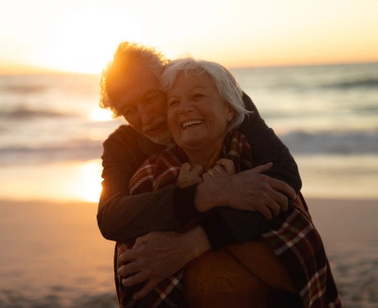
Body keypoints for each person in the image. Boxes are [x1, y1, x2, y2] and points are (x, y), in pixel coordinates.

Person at [113, 57, 341, 307]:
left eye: (198, 96)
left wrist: (195, 233)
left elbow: (301, 278)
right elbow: (114, 224)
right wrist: (202, 194)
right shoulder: (144, 181)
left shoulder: (261, 177)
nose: (185, 108)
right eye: (175, 102)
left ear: (230, 108)